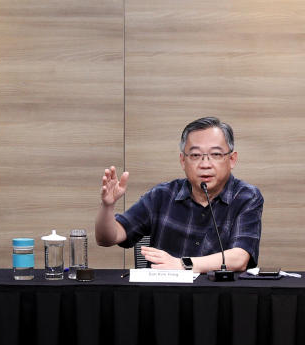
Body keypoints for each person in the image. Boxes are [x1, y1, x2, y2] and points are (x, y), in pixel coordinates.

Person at [96, 116, 263, 273]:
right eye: (196, 155)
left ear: (232, 159)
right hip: (165, 297)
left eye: (216, 154)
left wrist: (182, 264)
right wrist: (107, 206)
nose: (205, 164)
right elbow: (108, 238)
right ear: (183, 160)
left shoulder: (246, 197)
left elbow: (240, 258)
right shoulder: (161, 196)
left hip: (218, 299)